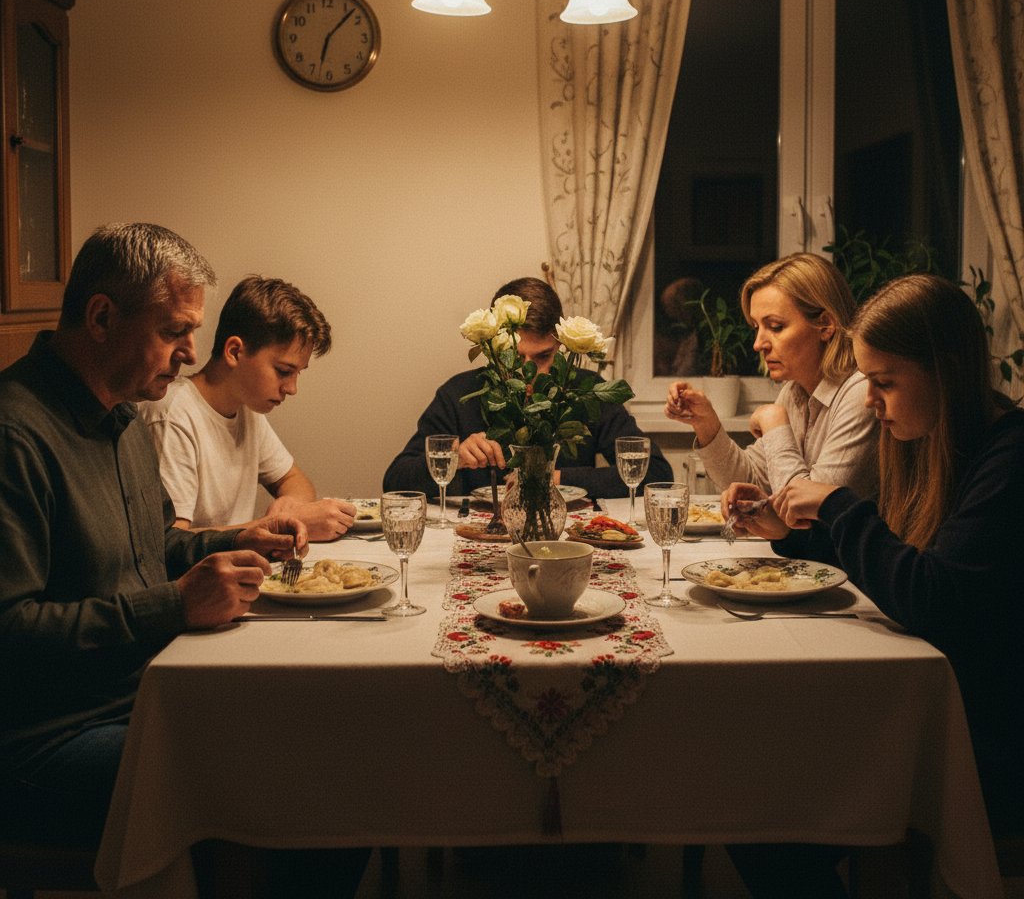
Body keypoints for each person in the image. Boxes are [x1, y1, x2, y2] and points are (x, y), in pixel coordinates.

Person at [0, 223, 308, 849]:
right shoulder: (17, 434)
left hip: (145, 686)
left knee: (313, 724)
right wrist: (174, 604)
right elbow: (11, 631)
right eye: (174, 331)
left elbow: (155, 548)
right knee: (292, 781)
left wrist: (242, 541)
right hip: (49, 736)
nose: (193, 352)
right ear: (102, 317)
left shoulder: (125, 420)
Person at [725, 273, 1024, 839]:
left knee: (758, 809)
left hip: (981, 732)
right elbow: (888, 555)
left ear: (946, 372)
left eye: (883, 381)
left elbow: (932, 596)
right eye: (866, 380)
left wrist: (838, 505)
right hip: (932, 703)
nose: (869, 401)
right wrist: (790, 536)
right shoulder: (928, 441)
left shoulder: (1008, 456)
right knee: (756, 776)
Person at [384, 276, 673, 498]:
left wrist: (555, 478)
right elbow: (394, 481)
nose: (529, 371)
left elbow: (658, 473)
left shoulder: (584, 390)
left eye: (544, 356)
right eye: (516, 355)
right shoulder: (459, 394)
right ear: (494, 345)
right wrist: (452, 458)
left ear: (561, 345)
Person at [141, 275, 355, 541]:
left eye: (298, 373)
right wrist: (273, 525)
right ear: (234, 351)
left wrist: (290, 505)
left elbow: (296, 481)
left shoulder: (246, 409)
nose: (292, 388)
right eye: (284, 371)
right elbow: (173, 543)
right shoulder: (172, 415)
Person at [664, 252, 878, 498]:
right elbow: (750, 481)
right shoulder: (794, 391)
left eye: (775, 327)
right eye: (757, 327)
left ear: (826, 325)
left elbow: (813, 508)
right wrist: (706, 423)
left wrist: (774, 424)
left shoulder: (862, 393)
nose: (758, 344)